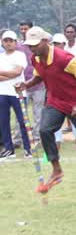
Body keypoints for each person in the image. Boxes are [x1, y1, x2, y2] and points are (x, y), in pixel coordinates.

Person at [17, 26, 76, 190]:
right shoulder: (36, 58)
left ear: (45, 41)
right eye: (29, 45)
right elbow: (39, 76)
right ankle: (56, 169)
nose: (32, 48)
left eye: (35, 44)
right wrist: (26, 84)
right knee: (45, 130)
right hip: (56, 101)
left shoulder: (64, 58)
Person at [0, 31, 31, 159]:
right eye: (5, 41)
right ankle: (8, 149)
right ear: (2, 42)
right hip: (2, 92)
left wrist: (4, 74)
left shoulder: (20, 55)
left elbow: (18, 72)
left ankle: (28, 148)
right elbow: (11, 74)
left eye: (10, 41)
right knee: (3, 122)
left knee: (23, 121)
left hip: (18, 93)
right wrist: (10, 74)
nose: (8, 43)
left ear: (15, 42)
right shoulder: (1, 56)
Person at [16, 21, 46, 143]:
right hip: (23, 85)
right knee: (21, 113)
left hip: (39, 84)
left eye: (26, 29)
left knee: (38, 112)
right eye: (21, 29)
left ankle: (37, 137)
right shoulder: (17, 46)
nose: (23, 31)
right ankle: (19, 138)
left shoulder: (39, 45)